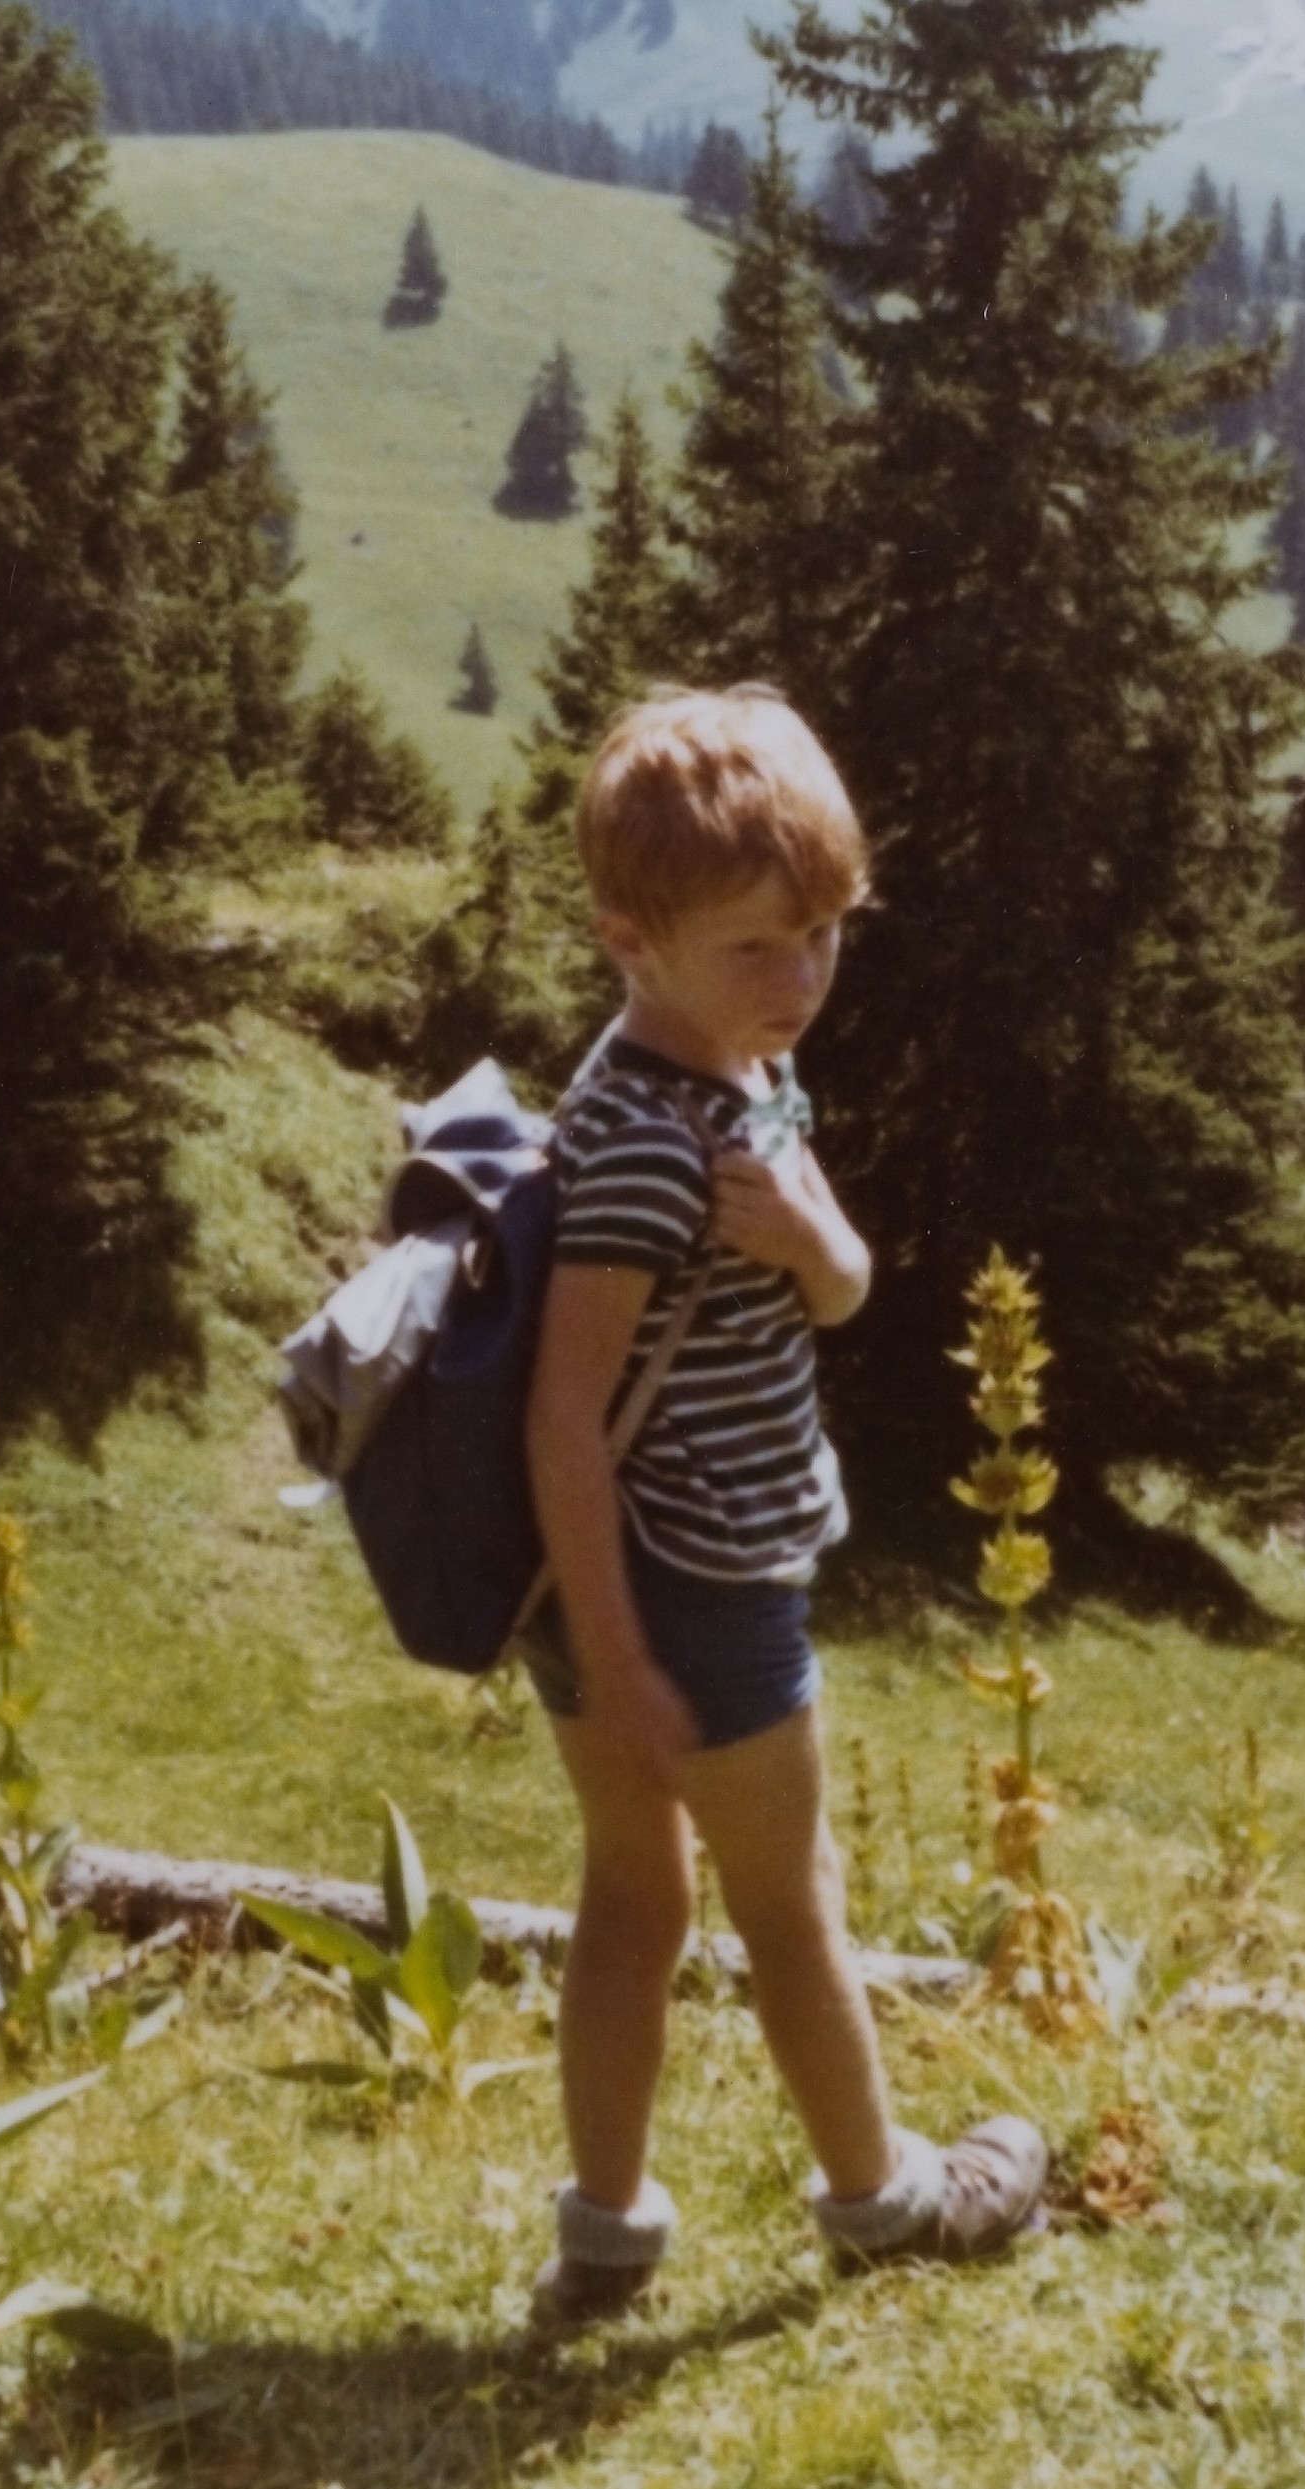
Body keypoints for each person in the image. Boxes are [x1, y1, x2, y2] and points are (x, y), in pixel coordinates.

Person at [517, 684, 1049, 2328]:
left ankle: (604, 2239)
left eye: (822, 932)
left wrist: (804, 1241)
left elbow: (843, 1284)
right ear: (629, 939)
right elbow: (560, 1415)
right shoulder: (642, 1146)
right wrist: (623, 1649)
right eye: (755, 944)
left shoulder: (744, 1073)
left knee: (635, 1893)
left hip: (608, 1593)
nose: (799, 976)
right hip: (694, 1586)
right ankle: (885, 2202)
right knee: (787, 1895)